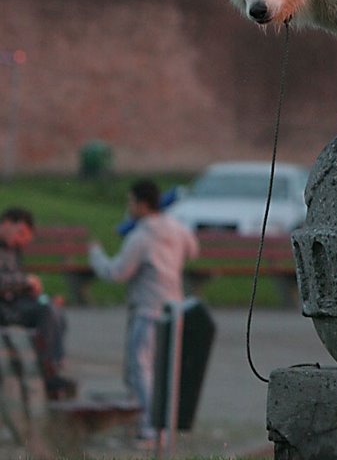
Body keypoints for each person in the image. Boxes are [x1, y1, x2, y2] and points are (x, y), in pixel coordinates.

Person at [88, 179, 198, 442]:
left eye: (130, 202)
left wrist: (95, 255)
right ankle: (161, 424)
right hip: (174, 307)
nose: (129, 208)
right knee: (166, 370)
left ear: (141, 204)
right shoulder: (177, 228)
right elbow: (193, 250)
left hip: (148, 309)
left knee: (141, 367)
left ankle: (152, 427)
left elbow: (117, 273)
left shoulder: (140, 236)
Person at [0, 207, 75, 399]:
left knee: (53, 308)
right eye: (20, 233)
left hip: (15, 302)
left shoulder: (12, 249)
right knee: (46, 311)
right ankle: (49, 371)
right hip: (5, 309)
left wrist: (29, 288)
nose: (20, 240)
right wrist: (25, 282)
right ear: (6, 223)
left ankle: (54, 365)